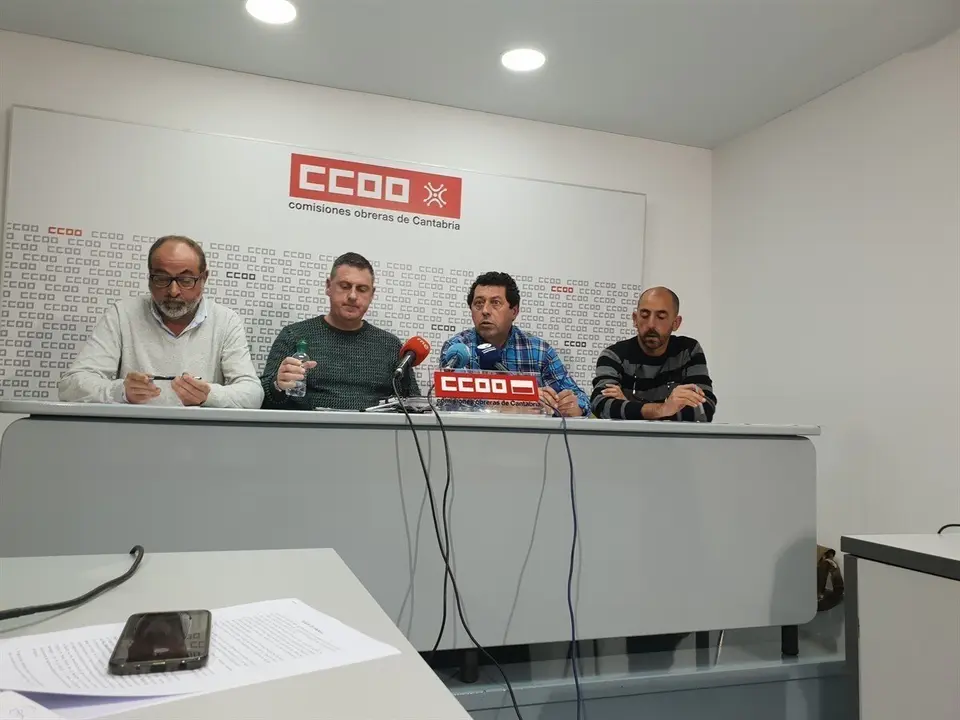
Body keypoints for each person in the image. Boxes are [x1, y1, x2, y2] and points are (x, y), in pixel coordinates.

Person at [57, 235, 264, 408]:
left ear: (204, 279)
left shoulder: (225, 320)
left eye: (185, 280)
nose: (173, 291)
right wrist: (120, 391)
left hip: (202, 435)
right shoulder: (123, 314)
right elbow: (71, 385)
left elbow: (253, 394)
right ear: (149, 277)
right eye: (162, 279)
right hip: (132, 434)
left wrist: (209, 395)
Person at [260, 252, 420, 410]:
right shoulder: (294, 336)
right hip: (309, 426)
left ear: (372, 294)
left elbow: (414, 405)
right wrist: (277, 386)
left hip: (374, 427)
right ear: (328, 287)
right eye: (345, 286)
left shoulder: (390, 345)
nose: (352, 296)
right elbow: (263, 400)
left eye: (362, 289)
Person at [441, 271, 590, 417]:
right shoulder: (458, 348)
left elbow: (580, 397)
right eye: (478, 303)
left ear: (514, 311)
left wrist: (573, 406)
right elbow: (449, 401)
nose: (485, 310)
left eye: (495, 303)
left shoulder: (539, 350)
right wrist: (508, 405)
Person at [591, 286, 716, 421]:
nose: (651, 324)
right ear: (635, 319)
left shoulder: (688, 351)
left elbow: (704, 409)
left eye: (661, 317)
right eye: (644, 315)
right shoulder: (613, 355)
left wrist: (629, 405)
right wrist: (663, 408)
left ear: (676, 323)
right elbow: (601, 406)